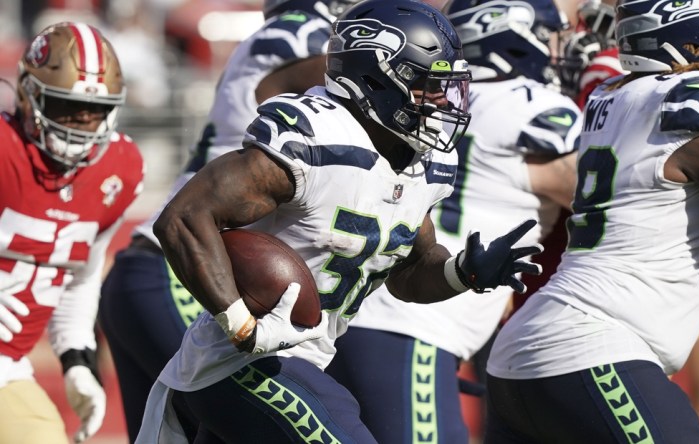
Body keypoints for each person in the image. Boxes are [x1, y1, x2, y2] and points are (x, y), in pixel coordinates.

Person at [135, 1, 543, 442]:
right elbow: (183, 216)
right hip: (242, 365)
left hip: (302, 361)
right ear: (376, 76)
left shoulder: (424, 163)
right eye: (426, 85)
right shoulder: (318, 137)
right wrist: (241, 325)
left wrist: (464, 272)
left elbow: (410, 272)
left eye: (446, 87)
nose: (441, 100)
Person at [483, 0, 699, 441]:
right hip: (591, 346)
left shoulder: (619, 94)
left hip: (532, 355)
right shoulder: (685, 100)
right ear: (691, 41)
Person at [97, 1, 356, 441]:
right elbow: (375, 91)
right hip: (190, 268)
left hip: (155, 270)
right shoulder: (311, 42)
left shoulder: (274, 40)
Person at [324, 1, 580, 442]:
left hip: (362, 316)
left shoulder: (425, 96)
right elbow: (608, 197)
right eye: (551, 35)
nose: (562, 49)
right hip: (417, 324)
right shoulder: (534, 106)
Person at [0, 22, 144, 444]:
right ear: (30, 96)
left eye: (94, 110)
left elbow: (79, 276)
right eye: (67, 107)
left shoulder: (119, 169)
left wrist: (77, 358)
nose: (82, 123)